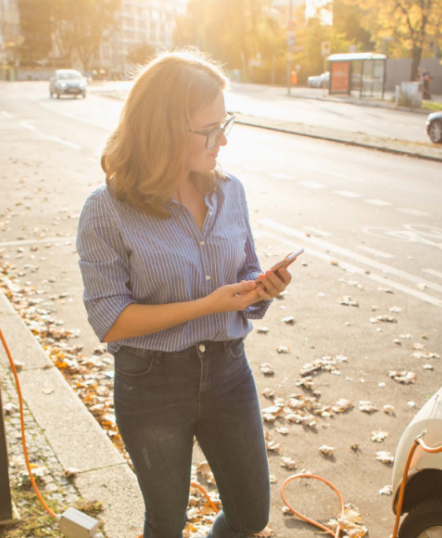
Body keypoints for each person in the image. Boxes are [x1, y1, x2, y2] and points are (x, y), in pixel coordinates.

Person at [76, 49, 290, 537]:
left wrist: (263, 290)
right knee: (167, 522)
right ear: (165, 129)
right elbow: (110, 320)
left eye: (226, 122)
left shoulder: (229, 191)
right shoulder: (106, 210)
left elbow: (247, 276)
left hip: (228, 371)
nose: (224, 138)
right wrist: (209, 305)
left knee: (251, 514)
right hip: (152, 383)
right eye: (210, 129)